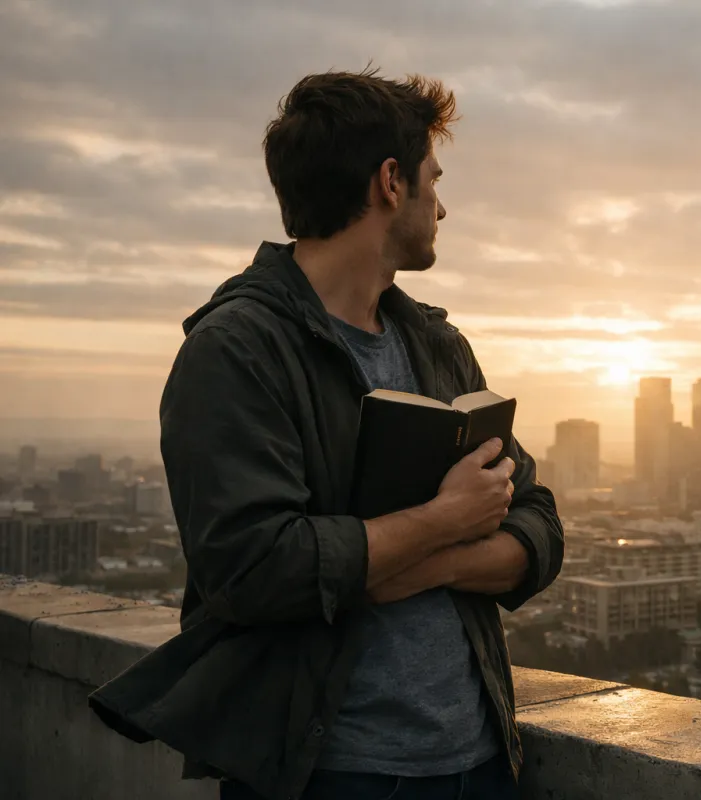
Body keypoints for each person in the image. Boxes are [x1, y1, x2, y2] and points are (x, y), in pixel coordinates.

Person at [88, 68, 564, 800]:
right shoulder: (238, 349)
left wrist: (429, 564)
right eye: (435, 179)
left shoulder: (438, 346)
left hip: (479, 759)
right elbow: (249, 569)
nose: (446, 206)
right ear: (391, 182)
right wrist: (443, 521)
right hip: (329, 774)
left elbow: (538, 523)